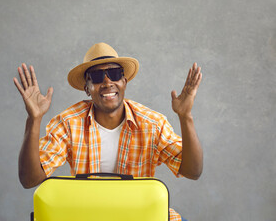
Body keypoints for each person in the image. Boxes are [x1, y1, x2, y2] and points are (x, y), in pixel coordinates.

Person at [13, 42, 203, 221]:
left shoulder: (152, 123)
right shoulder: (69, 123)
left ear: (124, 81)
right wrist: (34, 119)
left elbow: (192, 171)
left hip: (140, 215)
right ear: (87, 89)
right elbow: (30, 179)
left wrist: (186, 117)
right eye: (96, 77)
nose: (106, 82)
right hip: (88, 216)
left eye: (113, 73)